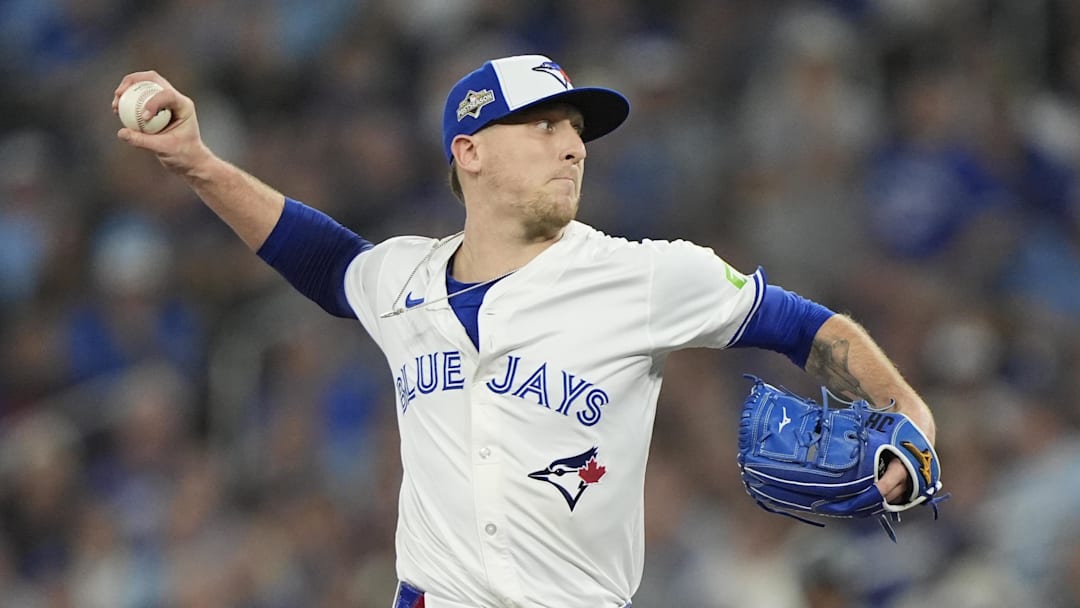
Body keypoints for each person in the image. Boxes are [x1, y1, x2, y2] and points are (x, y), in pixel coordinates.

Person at [113, 54, 936, 608]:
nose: (572, 146)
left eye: (577, 131)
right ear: (469, 150)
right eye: (545, 126)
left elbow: (808, 328)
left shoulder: (644, 275)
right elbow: (326, 262)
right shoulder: (403, 279)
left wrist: (908, 417)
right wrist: (197, 163)